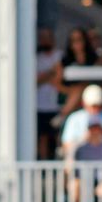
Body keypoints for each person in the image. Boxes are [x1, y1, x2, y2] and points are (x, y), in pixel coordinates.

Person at [60, 84, 102, 160]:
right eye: (92, 106)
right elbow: (66, 145)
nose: (95, 109)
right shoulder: (74, 118)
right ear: (84, 103)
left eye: (98, 105)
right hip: (81, 161)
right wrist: (84, 138)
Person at [36, 28, 63, 159]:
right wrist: (51, 72)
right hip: (40, 104)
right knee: (43, 136)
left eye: (48, 37)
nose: (45, 40)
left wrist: (45, 75)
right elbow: (34, 80)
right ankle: (43, 164)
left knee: (58, 135)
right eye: (43, 37)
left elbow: (59, 77)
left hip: (56, 104)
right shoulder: (36, 58)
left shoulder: (60, 55)